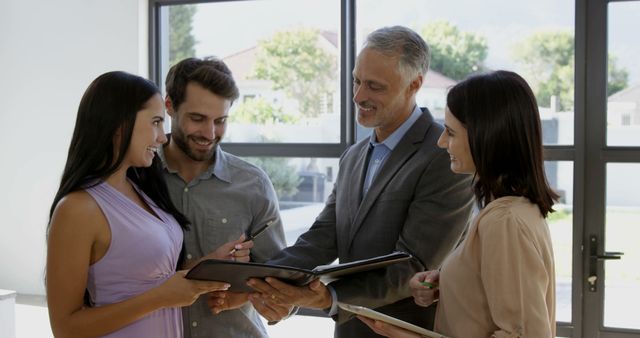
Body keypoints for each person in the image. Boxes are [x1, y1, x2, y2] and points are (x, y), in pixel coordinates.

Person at [241, 26, 475, 337]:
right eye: (357, 81)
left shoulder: (443, 155)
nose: (358, 96)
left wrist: (331, 296)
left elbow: (414, 265)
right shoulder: (353, 156)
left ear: (413, 85)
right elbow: (323, 237)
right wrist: (261, 280)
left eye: (375, 86)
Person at [359, 70, 558, 338]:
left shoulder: (504, 222)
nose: (441, 143)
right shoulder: (517, 210)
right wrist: (451, 283)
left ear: (486, 135)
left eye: (450, 133)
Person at [46, 71, 237, 337]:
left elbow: (143, 278)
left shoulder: (140, 188)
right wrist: (161, 297)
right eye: (156, 122)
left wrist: (204, 266)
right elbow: (65, 328)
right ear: (119, 124)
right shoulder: (78, 209)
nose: (162, 137)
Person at [160, 57, 288, 338]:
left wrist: (265, 300)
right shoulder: (136, 178)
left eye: (220, 121)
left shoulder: (252, 184)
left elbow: (281, 280)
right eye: (197, 119)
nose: (209, 133)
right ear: (169, 106)